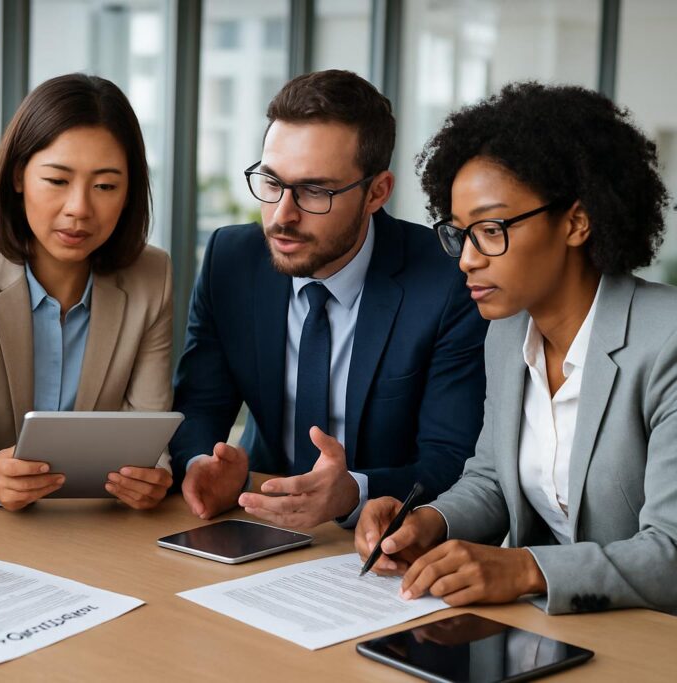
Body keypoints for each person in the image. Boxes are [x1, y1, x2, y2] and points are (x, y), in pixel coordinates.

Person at [355, 81, 677, 614]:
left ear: (576, 221)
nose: (467, 260)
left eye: (490, 229)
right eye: (461, 233)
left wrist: (527, 568)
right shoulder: (507, 333)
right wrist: (427, 523)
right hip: (550, 634)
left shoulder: (665, 344)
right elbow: (493, 478)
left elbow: (670, 552)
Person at [170, 69, 489, 527]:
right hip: (257, 514)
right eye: (272, 181)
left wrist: (353, 492)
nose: (283, 215)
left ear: (377, 192)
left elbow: (453, 459)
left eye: (315, 190)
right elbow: (201, 401)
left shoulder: (445, 281)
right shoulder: (231, 260)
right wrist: (202, 464)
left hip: (377, 538)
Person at [0, 74, 173, 512]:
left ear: (129, 192)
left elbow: (148, 432)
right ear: (19, 176)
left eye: (106, 186)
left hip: (101, 525)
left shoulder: (152, 276)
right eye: (57, 181)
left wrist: (155, 475)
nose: (79, 208)